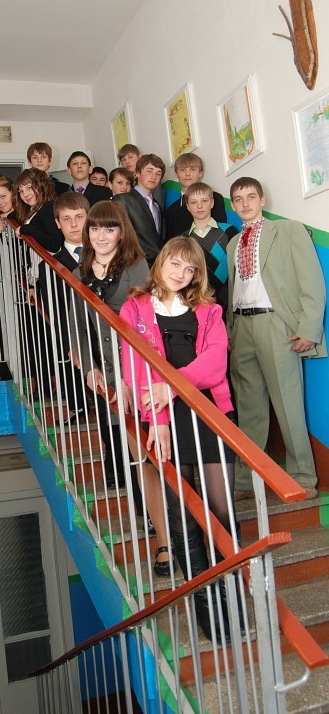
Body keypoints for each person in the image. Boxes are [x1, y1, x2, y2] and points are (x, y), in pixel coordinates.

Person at [120, 237, 237, 639]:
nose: (181, 274)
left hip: (209, 413)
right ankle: (210, 614)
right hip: (166, 420)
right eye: (176, 263)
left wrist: (170, 386)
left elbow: (215, 365)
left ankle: (232, 603)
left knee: (222, 516)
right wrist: (158, 420)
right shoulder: (135, 308)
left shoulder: (209, 310)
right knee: (183, 518)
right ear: (161, 262)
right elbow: (135, 368)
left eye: (190, 269)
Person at [69, 201, 169, 571]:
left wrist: (128, 379)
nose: (101, 236)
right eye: (95, 228)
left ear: (121, 231)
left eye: (109, 229)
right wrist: (90, 368)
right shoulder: (79, 271)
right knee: (138, 457)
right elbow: (76, 325)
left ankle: (173, 536)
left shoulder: (135, 266)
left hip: (139, 373)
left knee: (156, 457)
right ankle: (163, 536)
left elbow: (142, 328)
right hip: (107, 377)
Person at [227, 177, 326, 501]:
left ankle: (302, 477)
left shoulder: (289, 231)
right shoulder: (232, 244)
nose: (245, 203)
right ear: (233, 205)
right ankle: (246, 480)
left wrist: (309, 328)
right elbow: (234, 291)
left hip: (275, 324)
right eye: (238, 199)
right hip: (242, 328)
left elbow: (312, 282)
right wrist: (230, 331)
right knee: (248, 409)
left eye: (250, 196)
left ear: (262, 200)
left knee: (288, 404)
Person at [38, 192, 90, 421]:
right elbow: (56, 311)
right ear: (58, 223)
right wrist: (72, 344)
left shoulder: (107, 255)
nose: (74, 224)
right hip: (75, 334)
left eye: (79, 217)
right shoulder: (49, 265)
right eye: (66, 219)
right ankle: (77, 404)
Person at [183, 182, 238, 312]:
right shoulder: (183, 240)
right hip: (196, 306)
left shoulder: (228, 231)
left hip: (230, 305)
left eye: (204, 201)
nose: (199, 206)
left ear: (212, 203)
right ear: (188, 206)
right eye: (194, 202)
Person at [112, 154, 165, 266]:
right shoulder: (122, 200)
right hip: (134, 265)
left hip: (158, 266)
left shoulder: (156, 205)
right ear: (137, 173)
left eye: (158, 173)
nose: (154, 176)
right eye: (149, 171)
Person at [165, 153, 227, 240]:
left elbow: (221, 234)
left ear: (200, 172)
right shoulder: (171, 211)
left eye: (193, 169)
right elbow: (171, 243)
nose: (187, 174)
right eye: (182, 170)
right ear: (176, 174)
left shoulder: (215, 198)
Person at [13, 168, 64, 253]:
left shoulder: (48, 207)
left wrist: (27, 229)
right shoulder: (31, 209)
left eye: (29, 188)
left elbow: (55, 245)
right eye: (21, 191)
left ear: (41, 185)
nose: (25, 194)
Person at [118, 143, 164, 209]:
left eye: (130, 157)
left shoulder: (151, 179)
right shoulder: (123, 181)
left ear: (139, 156)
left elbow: (157, 206)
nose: (127, 162)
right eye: (123, 159)